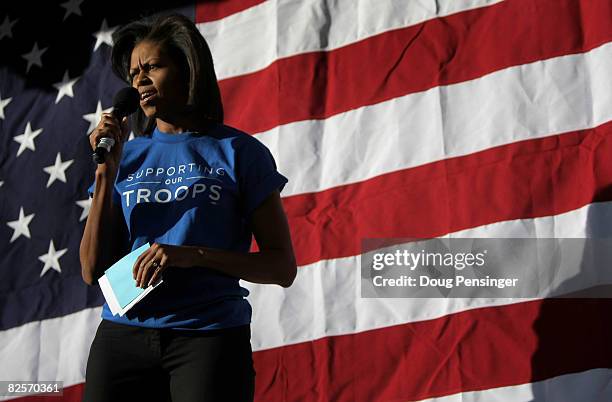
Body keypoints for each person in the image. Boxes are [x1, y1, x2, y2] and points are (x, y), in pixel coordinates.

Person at [79, 12, 296, 402]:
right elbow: (91, 270)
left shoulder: (240, 152)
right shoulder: (125, 158)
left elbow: (281, 267)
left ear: (187, 69)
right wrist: (104, 174)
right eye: (133, 73)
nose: (139, 80)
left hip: (208, 337)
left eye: (152, 67)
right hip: (121, 337)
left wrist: (191, 255)